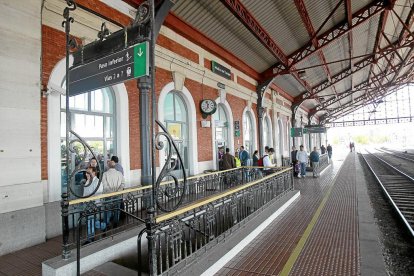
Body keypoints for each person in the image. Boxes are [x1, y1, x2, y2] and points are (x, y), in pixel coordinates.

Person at [98, 160, 125, 229]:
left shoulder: (105, 174)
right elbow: (122, 184)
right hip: (118, 195)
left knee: (107, 210)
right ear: (114, 166)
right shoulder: (119, 174)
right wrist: (117, 192)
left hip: (108, 195)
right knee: (117, 209)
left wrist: (111, 193)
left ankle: (107, 224)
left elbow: (105, 185)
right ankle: (116, 223)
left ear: (108, 166)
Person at [83, 166, 102, 243]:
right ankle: (103, 226)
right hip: (87, 205)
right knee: (93, 221)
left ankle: (90, 238)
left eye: (88, 172)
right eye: (86, 172)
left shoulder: (97, 182)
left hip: (93, 205)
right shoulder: (87, 181)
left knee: (90, 221)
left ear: (94, 173)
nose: (86, 174)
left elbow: (99, 195)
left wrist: (95, 205)